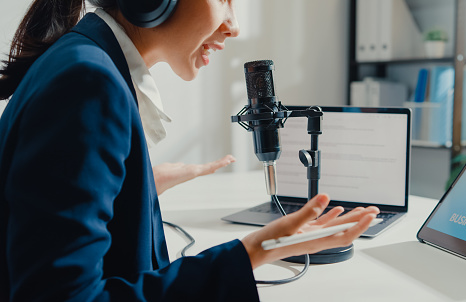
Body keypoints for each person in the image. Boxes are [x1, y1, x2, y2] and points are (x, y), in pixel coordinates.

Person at [0, 0, 380, 301]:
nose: (234, 26)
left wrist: (139, 186)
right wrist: (254, 252)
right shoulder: (89, 82)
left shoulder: (84, 59)